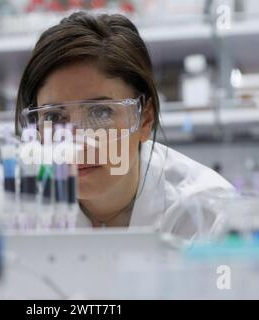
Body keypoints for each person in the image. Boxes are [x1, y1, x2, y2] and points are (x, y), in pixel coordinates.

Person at [15, 11, 234, 240]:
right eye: (53, 117)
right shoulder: (13, 209)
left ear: (145, 119)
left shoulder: (208, 212)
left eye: (100, 113)